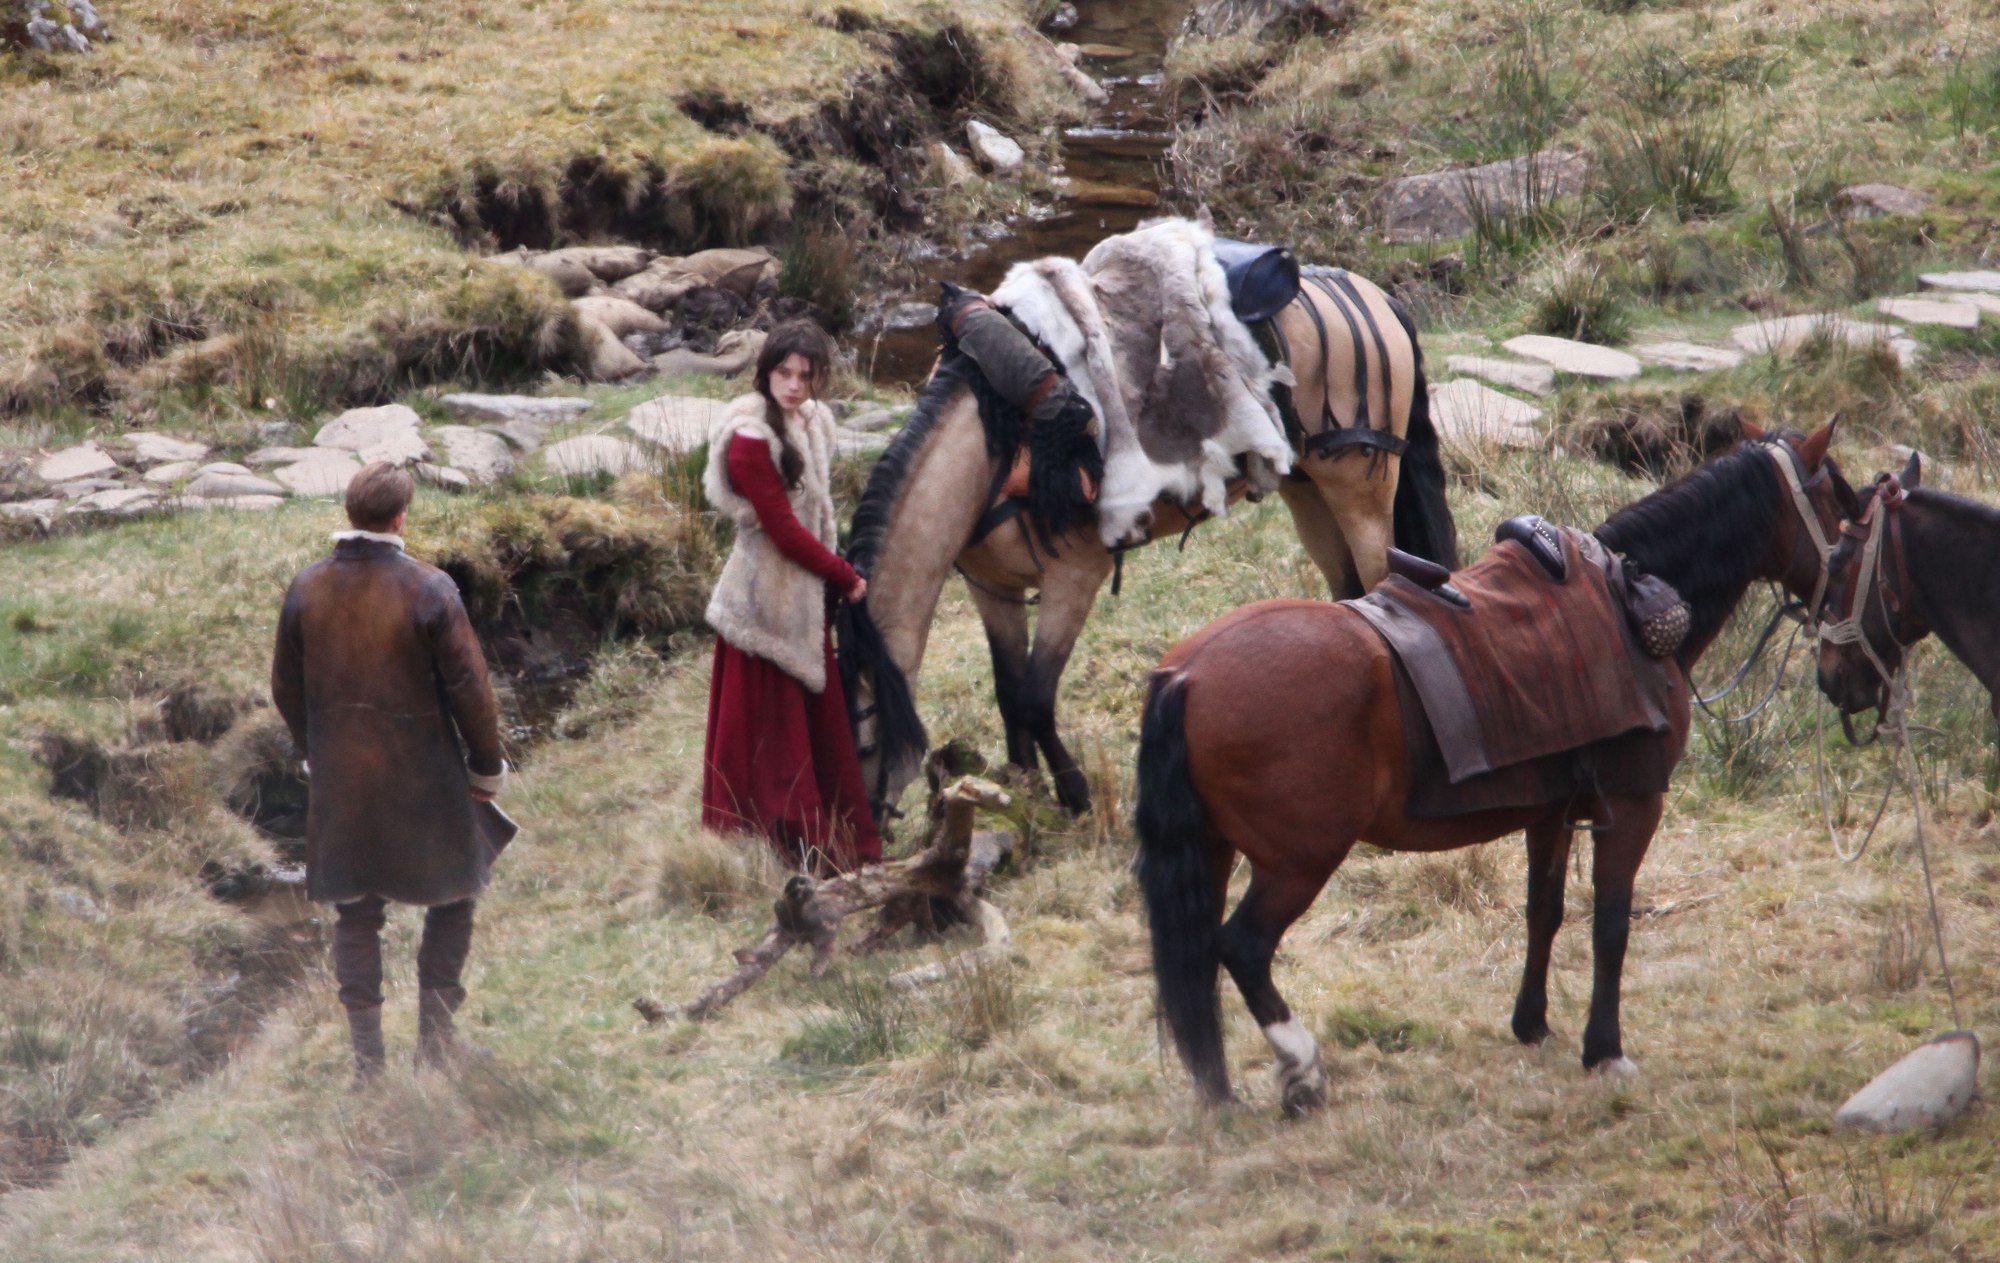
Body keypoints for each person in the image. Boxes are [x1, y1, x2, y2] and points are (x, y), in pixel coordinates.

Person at [271, 462, 509, 1087]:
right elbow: (472, 691)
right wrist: (486, 767)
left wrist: (313, 751)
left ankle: (367, 1068)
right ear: (402, 517)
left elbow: (284, 687)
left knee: (356, 913)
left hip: (342, 782)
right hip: (424, 779)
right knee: (456, 897)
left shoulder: (307, 588)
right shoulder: (430, 590)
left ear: (350, 514)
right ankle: (435, 1046)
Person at [701, 320, 882, 871]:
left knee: (812, 726)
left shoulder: (813, 421)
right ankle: (770, 846)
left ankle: (823, 834)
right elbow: (781, 530)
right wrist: (844, 576)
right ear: (766, 373)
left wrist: (832, 572)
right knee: (769, 735)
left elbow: (819, 512)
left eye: (807, 375)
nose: (795, 385)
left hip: (804, 599)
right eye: (785, 373)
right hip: (761, 604)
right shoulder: (750, 438)